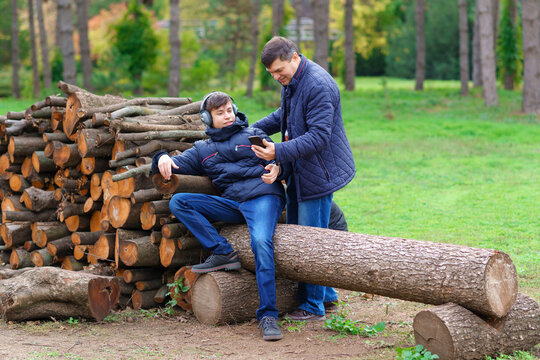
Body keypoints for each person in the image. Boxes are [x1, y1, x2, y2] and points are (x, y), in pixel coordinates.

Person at [152, 91, 285, 341]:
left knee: (260, 242)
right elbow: (173, 163)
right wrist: (161, 157)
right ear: (206, 117)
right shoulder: (203, 149)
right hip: (233, 204)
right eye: (219, 113)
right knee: (180, 201)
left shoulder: (253, 135)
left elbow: (283, 157)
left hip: (263, 197)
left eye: (229, 111)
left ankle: (268, 315)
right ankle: (223, 252)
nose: (227, 116)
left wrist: (279, 167)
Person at [251, 36, 356, 321]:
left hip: (318, 173)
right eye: (271, 73)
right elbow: (284, 115)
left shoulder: (317, 85)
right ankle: (327, 296)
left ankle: (313, 306)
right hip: (301, 170)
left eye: (278, 70)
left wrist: (277, 150)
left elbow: (319, 137)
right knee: (299, 233)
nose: (276, 77)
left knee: (310, 242)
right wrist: (253, 128)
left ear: (294, 57)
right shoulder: (294, 81)